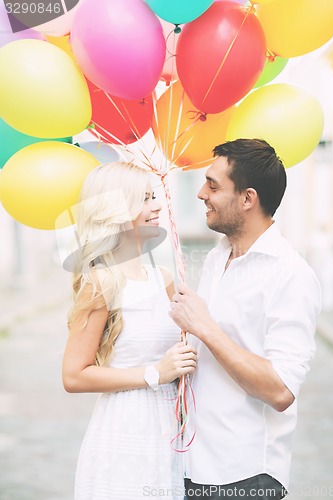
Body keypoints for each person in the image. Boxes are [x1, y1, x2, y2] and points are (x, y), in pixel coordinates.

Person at [170, 139, 322, 499]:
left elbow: (281, 390)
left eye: (213, 185)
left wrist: (205, 328)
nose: (201, 194)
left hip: (245, 476)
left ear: (247, 198)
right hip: (192, 466)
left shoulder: (290, 275)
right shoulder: (216, 257)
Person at [62, 162, 197, 499]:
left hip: (172, 429)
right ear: (117, 209)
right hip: (127, 428)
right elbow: (74, 376)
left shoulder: (163, 278)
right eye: (145, 198)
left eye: (155, 196)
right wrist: (154, 373)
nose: (158, 205)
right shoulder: (102, 281)